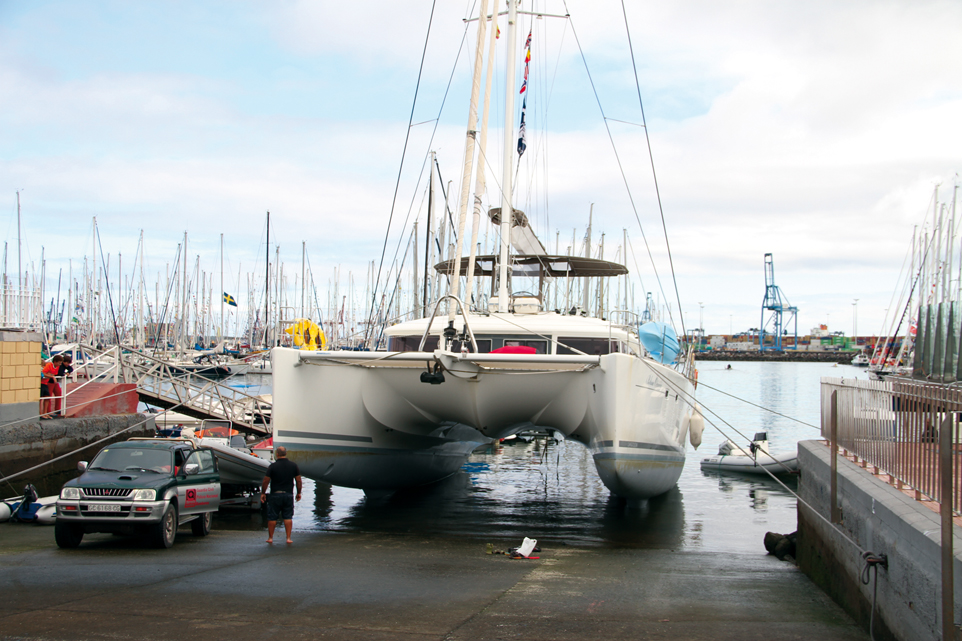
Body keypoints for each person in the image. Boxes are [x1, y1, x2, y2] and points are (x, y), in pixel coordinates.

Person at [260, 446, 302, 544]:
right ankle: (288, 538)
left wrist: (263, 493)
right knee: (288, 516)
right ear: (286, 454)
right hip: (288, 494)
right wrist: (299, 492)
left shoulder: (273, 466)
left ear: (277, 454)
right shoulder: (293, 465)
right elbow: (298, 480)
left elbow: (266, 480)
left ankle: (270, 538)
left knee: (272, 516)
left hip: (275, 494)